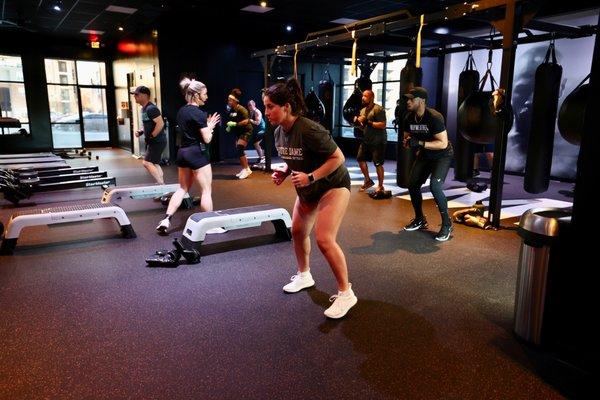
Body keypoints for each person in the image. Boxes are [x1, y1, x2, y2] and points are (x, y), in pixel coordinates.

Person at [264, 78, 357, 319]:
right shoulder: (278, 133)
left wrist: (311, 177)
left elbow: (338, 158)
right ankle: (304, 275)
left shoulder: (309, 129)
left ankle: (346, 293)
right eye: (265, 107)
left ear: (286, 106)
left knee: (325, 240)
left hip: (332, 185)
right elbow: (294, 157)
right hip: (309, 187)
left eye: (270, 106)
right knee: (297, 231)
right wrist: (285, 172)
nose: (267, 112)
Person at [156, 78, 222, 234]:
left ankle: (166, 219)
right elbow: (207, 139)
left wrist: (206, 126)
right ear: (197, 95)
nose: (207, 97)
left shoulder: (182, 111)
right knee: (206, 191)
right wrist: (210, 126)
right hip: (196, 154)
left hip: (182, 153)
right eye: (205, 94)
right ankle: (209, 226)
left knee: (182, 189)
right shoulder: (199, 113)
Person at [402, 87, 454, 242]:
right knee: (412, 184)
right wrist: (408, 142)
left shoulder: (434, 117)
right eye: (407, 99)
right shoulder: (408, 118)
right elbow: (407, 139)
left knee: (435, 187)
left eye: (412, 99)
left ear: (422, 101)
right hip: (425, 155)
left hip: (442, 156)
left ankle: (447, 224)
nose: (408, 102)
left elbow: (443, 144)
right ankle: (420, 219)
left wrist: (420, 142)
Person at [353, 90, 387, 193]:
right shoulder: (362, 110)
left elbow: (383, 125)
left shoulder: (378, 109)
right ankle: (367, 180)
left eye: (365, 96)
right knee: (360, 159)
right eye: (362, 96)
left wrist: (368, 122)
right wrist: (356, 123)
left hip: (378, 141)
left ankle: (380, 186)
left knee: (378, 164)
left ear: (371, 98)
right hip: (366, 140)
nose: (363, 98)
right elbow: (363, 128)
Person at [132, 86, 166, 184]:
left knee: (146, 162)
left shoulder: (151, 108)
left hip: (157, 141)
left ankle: (161, 184)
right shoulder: (144, 109)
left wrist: (152, 136)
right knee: (154, 163)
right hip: (154, 141)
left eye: (137, 94)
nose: (134, 96)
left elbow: (160, 124)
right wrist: (141, 131)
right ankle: (162, 184)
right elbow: (146, 123)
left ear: (145, 96)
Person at [225, 88, 253, 179]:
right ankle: (245, 168)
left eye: (230, 100)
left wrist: (235, 124)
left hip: (246, 131)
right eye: (228, 100)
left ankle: (247, 169)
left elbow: (246, 121)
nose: (228, 101)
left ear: (235, 101)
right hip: (239, 132)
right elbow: (232, 120)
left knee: (240, 148)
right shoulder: (232, 110)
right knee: (239, 149)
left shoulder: (242, 109)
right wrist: (230, 126)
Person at [248, 99, 266, 166]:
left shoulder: (257, 112)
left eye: (250, 105)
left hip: (262, 129)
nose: (249, 106)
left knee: (256, 143)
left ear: (254, 105)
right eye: (248, 105)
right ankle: (261, 157)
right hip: (257, 130)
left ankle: (262, 158)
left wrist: (250, 120)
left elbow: (258, 123)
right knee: (255, 144)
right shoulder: (251, 112)